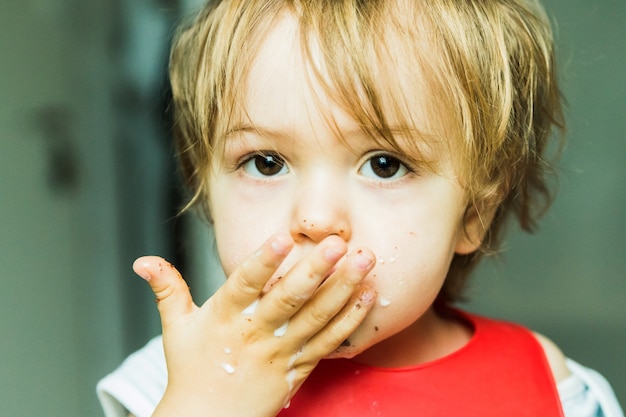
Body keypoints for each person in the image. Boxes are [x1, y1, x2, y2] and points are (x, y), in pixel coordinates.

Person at [98, 0, 624, 416]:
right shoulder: (173, 381)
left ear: (472, 213)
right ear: (204, 182)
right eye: (265, 162)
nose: (317, 218)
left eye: (385, 164)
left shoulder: (549, 386)